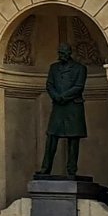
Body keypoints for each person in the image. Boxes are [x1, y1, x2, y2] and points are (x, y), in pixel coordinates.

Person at [38, 42, 87, 177]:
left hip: (73, 107)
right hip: (58, 106)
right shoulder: (53, 68)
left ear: (69, 53)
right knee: (52, 136)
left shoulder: (80, 68)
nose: (61, 55)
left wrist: (63, 96)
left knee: (73, 139)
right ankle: (45, 168)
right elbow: (49, 84)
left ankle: (72, 170)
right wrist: (55, 96)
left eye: (63, 53)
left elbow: (79, 86)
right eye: (59, 53)